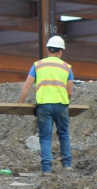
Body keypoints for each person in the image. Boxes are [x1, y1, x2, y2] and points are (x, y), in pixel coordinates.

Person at [18, 35, 74, 174]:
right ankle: (67, 165)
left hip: (43, 106)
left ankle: (47, 169)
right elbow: (70, 92)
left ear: (48, 50)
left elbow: (26, 86)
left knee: (45, 137)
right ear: (60, 52)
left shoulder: (38, 65)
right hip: (61, 105)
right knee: (64, 134)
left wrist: (21, 105)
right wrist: (63, 99)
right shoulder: (67, 68)